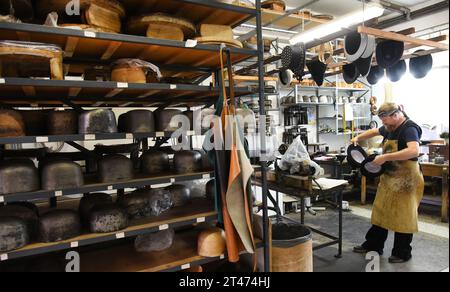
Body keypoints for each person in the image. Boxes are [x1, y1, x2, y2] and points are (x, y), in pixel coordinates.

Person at [351, 102, 424, 263]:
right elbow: (374, 131)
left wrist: (385, 157)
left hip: (407, 180)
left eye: (386, 121)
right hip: (390, 177)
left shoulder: (409, 128)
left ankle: (402, 252)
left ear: (396, 115)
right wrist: (358, 137)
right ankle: (373, 245)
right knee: (381, 210)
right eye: (382, 121)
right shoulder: (390, 127)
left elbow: (414, 151)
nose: (384, 125)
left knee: (404, 216)